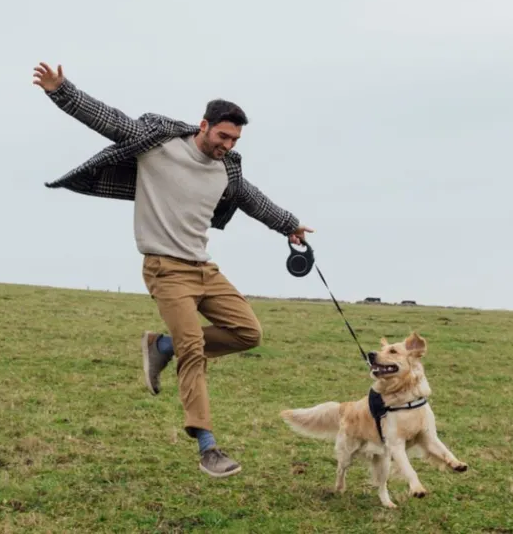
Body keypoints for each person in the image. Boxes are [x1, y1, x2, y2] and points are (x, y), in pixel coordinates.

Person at [33, 62, 313, 478]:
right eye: (222, 135)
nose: (227, 145)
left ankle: (160, 348)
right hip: (166, 269)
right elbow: (106, 119)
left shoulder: (226, 168)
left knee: (249, 332)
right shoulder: (157, 145)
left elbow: (253, 199)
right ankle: (208, 448)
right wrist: (61, 90)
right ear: (203, 125)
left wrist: (288, 225)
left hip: (204, 269)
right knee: (194, 350)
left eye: (234, 139)